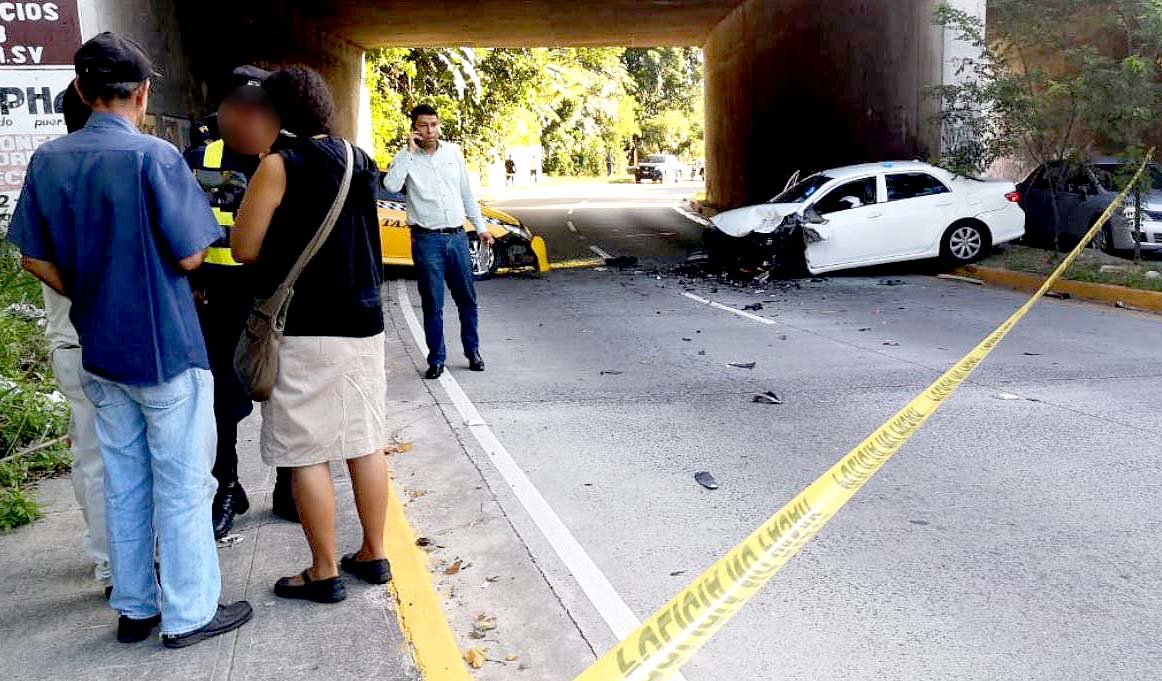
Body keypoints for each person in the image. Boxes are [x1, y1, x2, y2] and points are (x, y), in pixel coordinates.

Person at [7, 32, 252, 647]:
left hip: (99, 349)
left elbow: (32, 257)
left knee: (123, 479)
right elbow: (194, 252)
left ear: (83, 92)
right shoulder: (153, 156)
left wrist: (87, 292)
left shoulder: (50, 159)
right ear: (143, 93)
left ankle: (135, 606)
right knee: (182, 483)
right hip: (166, 347)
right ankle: (191, 613)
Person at [232, 66, 392, 603]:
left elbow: (245, 248)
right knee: (365, 443)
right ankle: (374, 552)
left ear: (278, 114)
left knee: (307, 452)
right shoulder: (359, 159)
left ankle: (323, 571)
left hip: (305, 327)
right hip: (364, 322)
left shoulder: (281, 164)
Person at [185, 65, 298, 538]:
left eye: (260, 109)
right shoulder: (196, 159)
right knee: (220, 401)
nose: (248, 118)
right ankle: (227, 484)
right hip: (217, 298)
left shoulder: (293, 159)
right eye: (239, 107)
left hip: (276, 300)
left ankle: (291, 483)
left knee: (288, 393)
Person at [40, 80, 110, 597]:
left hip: (70, 337)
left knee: (91, 454)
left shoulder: (47, 168)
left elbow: (31, 255)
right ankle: (124, 564)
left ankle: (110, 560)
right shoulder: (125, 164)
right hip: (112, 337)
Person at [382, 104, 492, 379]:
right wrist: (409, 152)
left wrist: (480, 228)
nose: (430, 131)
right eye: (423, 125)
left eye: (434, 124)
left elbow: (467, 194)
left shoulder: (453, 153)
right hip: (427, 239)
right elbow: (391, 186)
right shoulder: (405, 157)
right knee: (433, 303)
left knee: (467, 298)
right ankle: (437, 359)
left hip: (456, 236)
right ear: (414, 128)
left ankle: (473, 352)